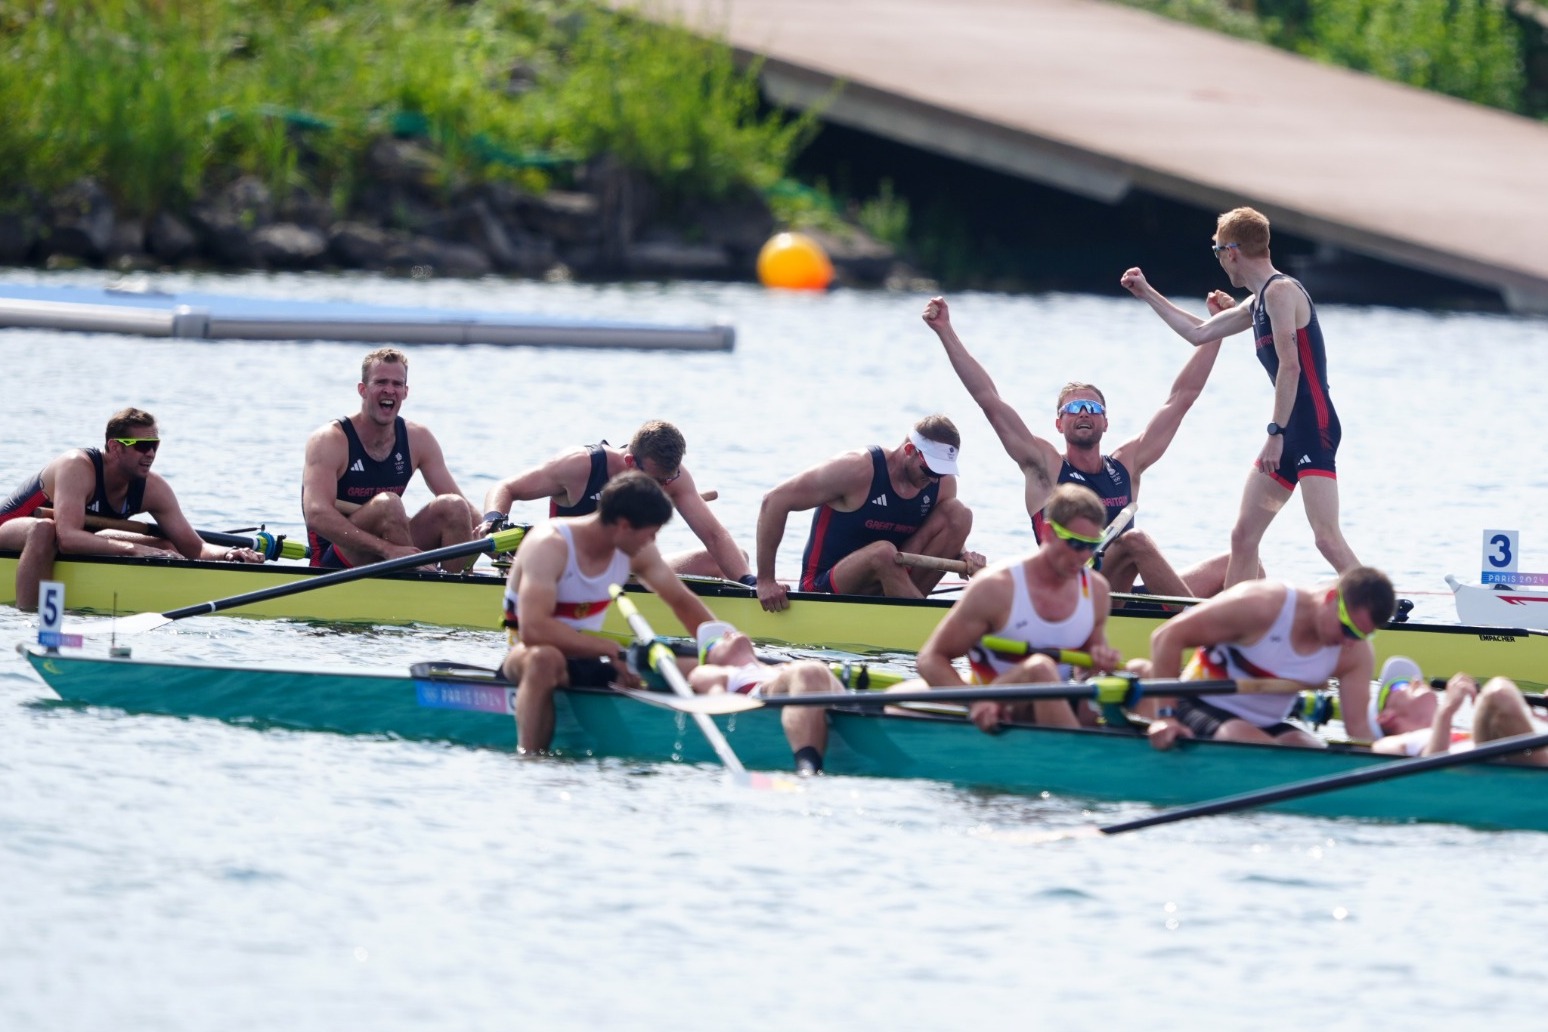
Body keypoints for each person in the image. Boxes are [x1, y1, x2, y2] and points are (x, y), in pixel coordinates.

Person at [922, 294, 1248, 599]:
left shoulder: (1127, 465)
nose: (1082, 413)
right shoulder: (1045, 468)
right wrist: (945, 330)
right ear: (1059, 424)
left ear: (1105, 423)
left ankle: (1243, 638)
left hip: (1118, 593)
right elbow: (989, 401)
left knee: (1244, 560)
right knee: (1135, 540)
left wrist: (1216, 329)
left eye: (1092, 409)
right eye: (1072, 409)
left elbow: (1181, 398)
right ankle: (1196, 628)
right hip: (1071, 596)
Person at [1121, 206, 1362, 589]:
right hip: (1286, 431)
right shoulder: (1257, 302)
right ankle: (1232, 627)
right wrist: (1147, 292)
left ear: (1232, 252)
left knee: (1326, 538)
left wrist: (1274, 432)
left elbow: (1291, 367)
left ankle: (1377, 608)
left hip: (1311, 426)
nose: (1218, 261)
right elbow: (1200, 333)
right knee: (1243, 537)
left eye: (1216, 252)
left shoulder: (1282, 292)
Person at [501, 470, 717, 754]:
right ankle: (530, 757)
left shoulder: (635, 549)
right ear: (624, 525)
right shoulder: (550, 545)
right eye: (650, 533)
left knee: (687, 663)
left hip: (587, 660)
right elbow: (535, 631)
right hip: (526, 657)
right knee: (546, 658)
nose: (652, 541)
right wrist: (608, 649)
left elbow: (682, 602)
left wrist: (723, 648)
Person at [0, 407, 264, 610]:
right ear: (115, 447)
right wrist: (134, 550)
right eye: (141, 446)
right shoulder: (77, 466)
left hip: (75, 535)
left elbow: (194, 547)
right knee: (46, 529)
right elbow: (67, 538)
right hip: (13, 529)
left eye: (155, 445)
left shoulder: (153, 487)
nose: (150, 454)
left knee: (165, 545)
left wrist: (230, 555)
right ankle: (30, 615)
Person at [913, 483, 1122, 733]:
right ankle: (1077, 760)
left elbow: (1087, 672)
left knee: (1138, 670)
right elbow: (929, 659)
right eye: (1075, 544)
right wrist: (974, 702)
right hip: (999, 710)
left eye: (1092, 545)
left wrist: (1101, 664)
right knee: (1040, 669)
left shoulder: (1096, 592)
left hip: (1053, 705)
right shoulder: (996, 587)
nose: (1083, 556)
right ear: (1048, 533)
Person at [1144, 566, 1396, 750]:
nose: (1350, 642)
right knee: (1240, 736)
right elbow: (1166, 637)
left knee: (1312, 752)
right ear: (1331, 599)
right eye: (1348, 629)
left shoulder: (1355, 653)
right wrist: (1165, 716)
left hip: (1267, 722)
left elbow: (1359, 729)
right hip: (1196, 701)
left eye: (1362, 635)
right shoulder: (1261, 605)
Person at [754, 414, 984, 612]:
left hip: (894, 580)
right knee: (883, 552)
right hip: (825, 587)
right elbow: (774, 501)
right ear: (909, 450)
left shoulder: (941, 484)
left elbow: (945, 531)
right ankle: (925, 623)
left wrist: (963, 555)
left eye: (941, 473)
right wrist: (765, 580)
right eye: (929, 469)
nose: (934, 479)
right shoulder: (856, 469)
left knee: (959, 514)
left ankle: (912, 613)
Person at [481, 419, 752, 583]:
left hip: (630, 570)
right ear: (631, 462)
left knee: (734, 559)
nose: (665, 486)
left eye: (671, 478)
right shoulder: (579, 465)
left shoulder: (674, 477)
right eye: (658, 481)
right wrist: (494, 519)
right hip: (571, 571)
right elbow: (506, 487)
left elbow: (715, 536)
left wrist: (750, 583)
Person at [302, 347, 478, 570]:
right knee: (389, 505)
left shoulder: (418, 438)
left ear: (405, 392)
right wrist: (387, 549)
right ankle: (421, 583)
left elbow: (469, 515)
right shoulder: (330, 440)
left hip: (393, 552)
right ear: (363, 389)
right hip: (333, 561)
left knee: (455, 506)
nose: (389, 390)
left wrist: (503, 543)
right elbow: (316, 515)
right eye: (381, 382)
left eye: (397, 384)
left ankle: (454, 591)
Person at [690, 620, 845, 774]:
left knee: (816, 669)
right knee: (810, 671)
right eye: (714, 643)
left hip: (809, 688)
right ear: (709, 661)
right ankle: (807, 769)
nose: (727, 634)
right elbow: (718, 706)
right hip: (759, 695)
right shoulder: (711, 672)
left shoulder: (782, 667)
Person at [1370, 666, 1548, 764]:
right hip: (1476, 775)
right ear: (1385, 717)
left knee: (1497, 695)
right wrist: (1446, 711)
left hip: (1505, 761)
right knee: (1497, 692)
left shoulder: (1459, 729)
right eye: (1400, 684)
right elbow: (1428, 778)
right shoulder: (1388, 744)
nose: (1416, 681)